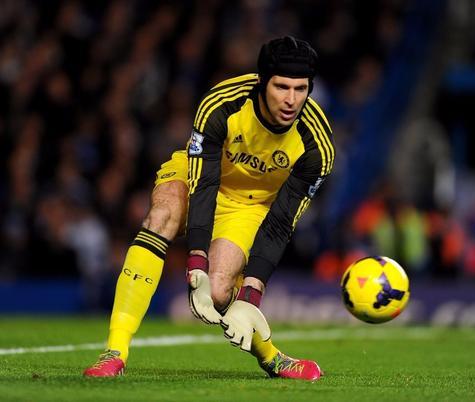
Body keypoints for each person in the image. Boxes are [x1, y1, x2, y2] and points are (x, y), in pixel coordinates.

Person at [83, 36, 334, 381]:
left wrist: (251, 295)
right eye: (281, 87)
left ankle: (272, 358)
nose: (291, 100)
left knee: (217, 292)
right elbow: (204, 184)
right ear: (262, 82)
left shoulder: (317, 146)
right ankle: (115, 351)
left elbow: (280, 222)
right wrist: (196, 261)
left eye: (301, 89)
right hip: (199, 177)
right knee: (161, 216)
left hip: (249, 206)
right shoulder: (222, 104)